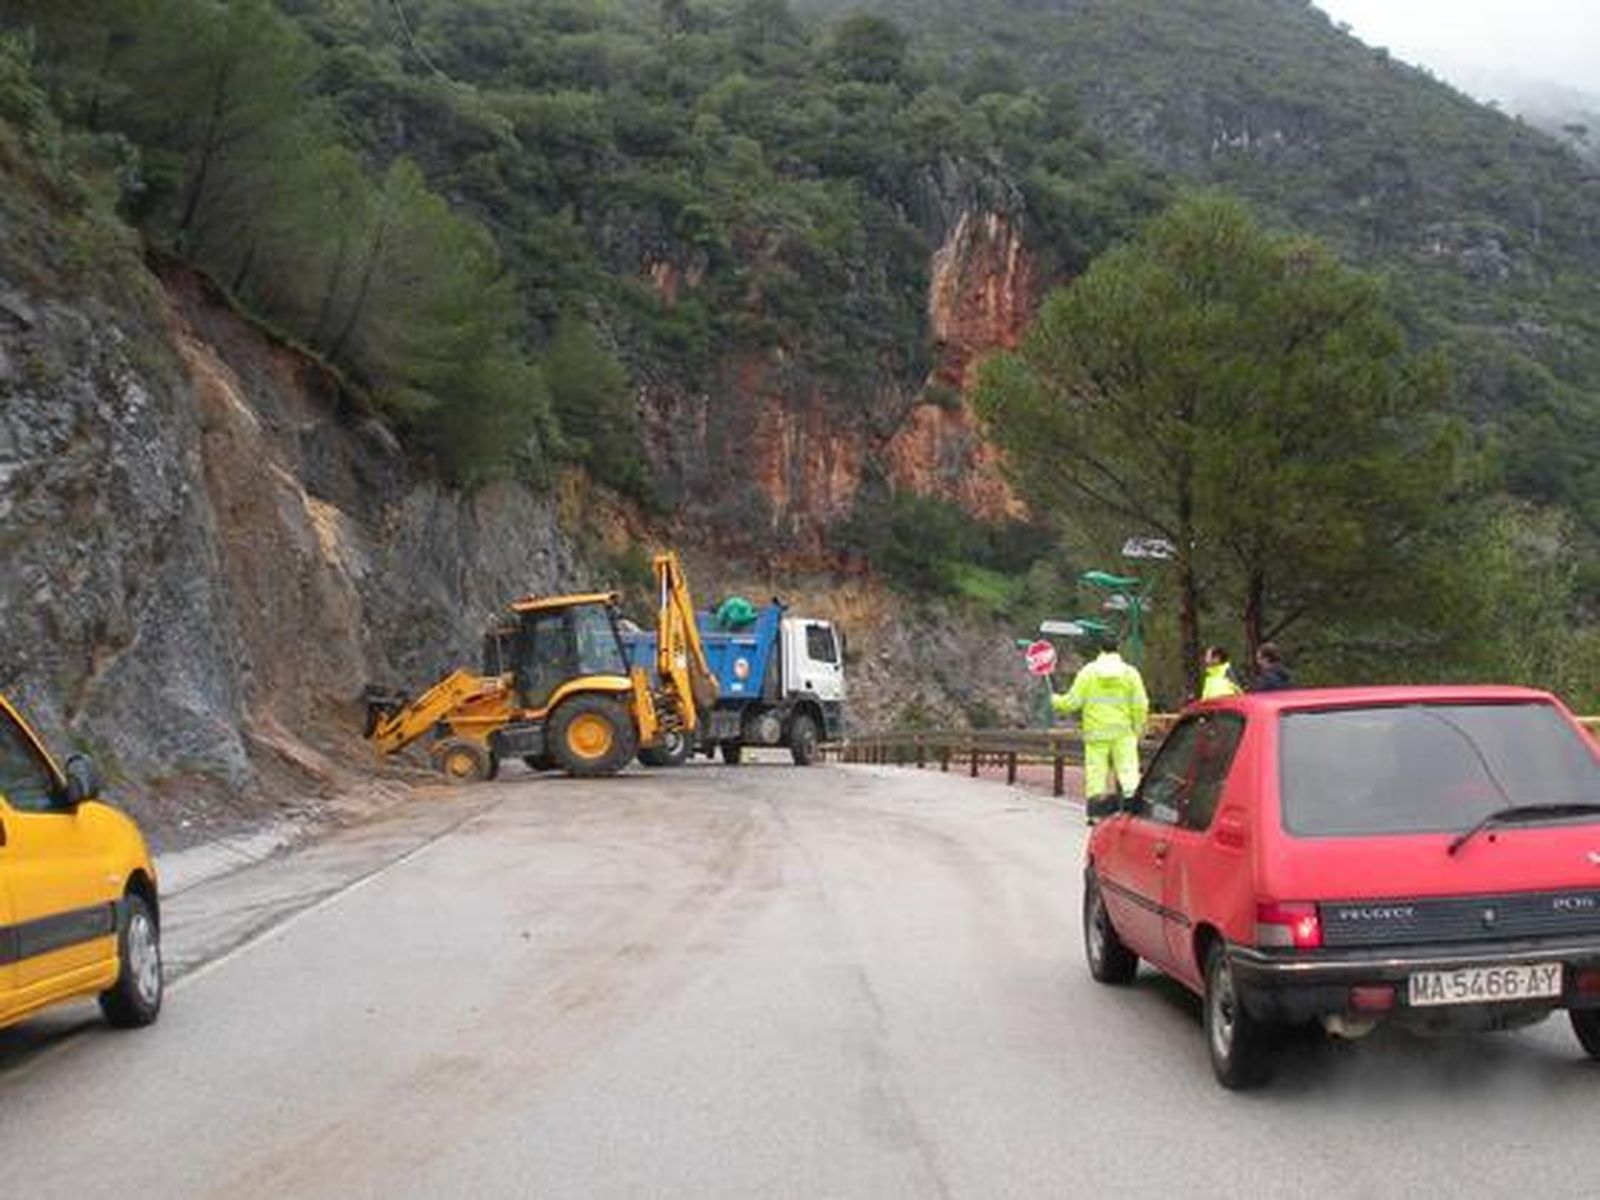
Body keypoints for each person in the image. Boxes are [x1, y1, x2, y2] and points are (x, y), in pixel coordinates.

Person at [1052, 633, 1150, 800]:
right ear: (1118, 648)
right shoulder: (1130, 673)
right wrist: (1138, 729)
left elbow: (1072, 702)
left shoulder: (1088, 673)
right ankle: (1130, 809)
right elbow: (1141, 705)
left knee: (1096, 773)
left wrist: (1055, 700)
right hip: (1123, 732)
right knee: (1128, 772)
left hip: (1096, 732)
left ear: (1100, 649)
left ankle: (1096, 812)